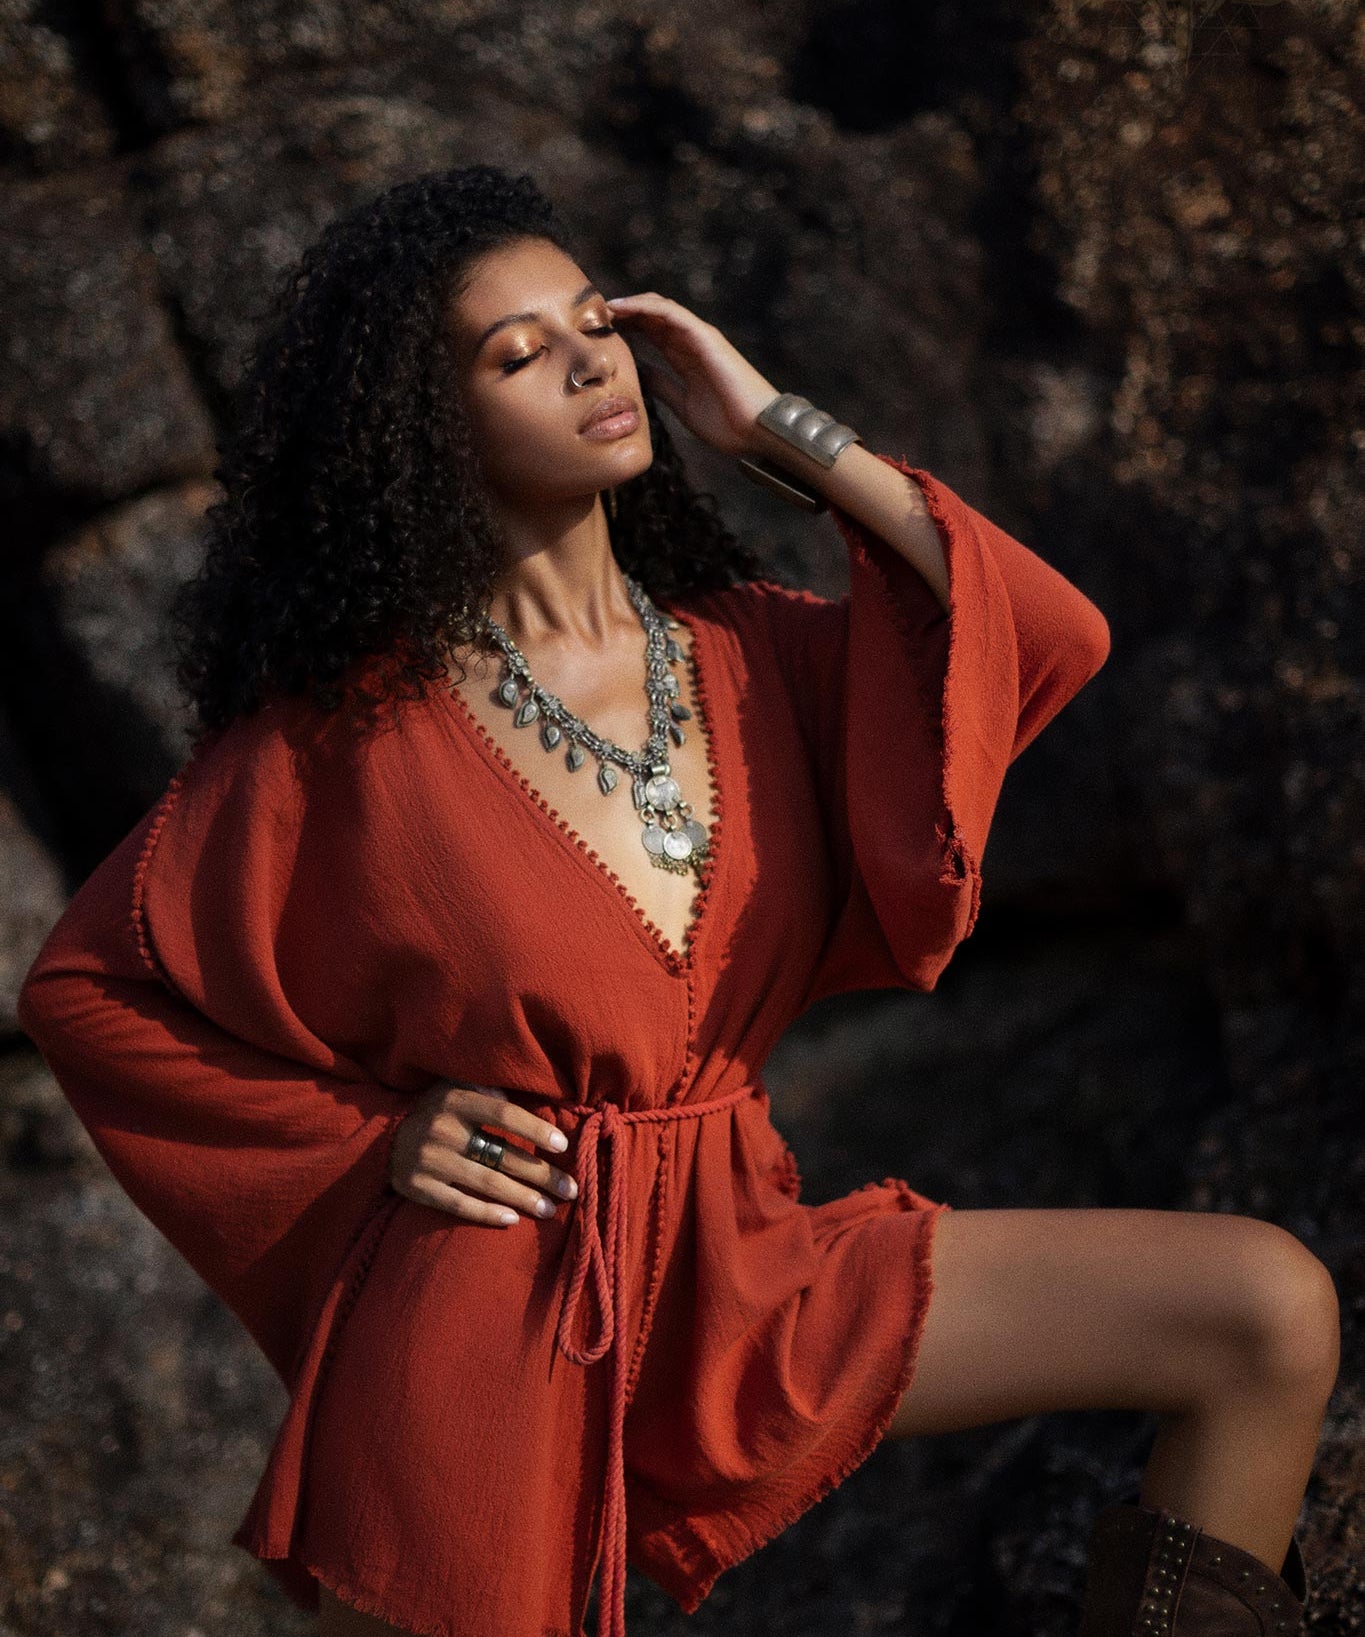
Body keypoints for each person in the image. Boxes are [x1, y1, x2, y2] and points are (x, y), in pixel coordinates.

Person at [16, 164, 1337, 1637]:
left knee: (1260, 1309)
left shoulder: (754, 656)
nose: (589, 360)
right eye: (518, 353)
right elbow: (87, 990)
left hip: (749, 1267)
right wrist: (369, 1140)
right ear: (423, 433)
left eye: (596, 322)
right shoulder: (340, 742)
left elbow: (1045, 629)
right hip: (485, 1316)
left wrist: (778, 425)